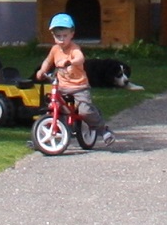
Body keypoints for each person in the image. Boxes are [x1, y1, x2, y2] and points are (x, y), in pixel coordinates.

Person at [37, 12, 112, 143]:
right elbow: (48, 61)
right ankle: (41, 136)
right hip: (62, 87)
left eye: (65, 36)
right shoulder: (55, 49)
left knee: (84, 111)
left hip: (79, 87)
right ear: (53, 35)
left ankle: (103, 129)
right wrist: (42, 70)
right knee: (52, 107)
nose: (61, 39)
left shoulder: (74, 49)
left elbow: (80, 58)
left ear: (72, 34)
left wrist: (70, 62)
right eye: (58, 36)